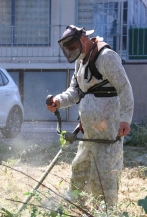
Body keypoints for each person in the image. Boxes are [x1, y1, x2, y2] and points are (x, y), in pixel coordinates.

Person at [46, 25, 134, 207]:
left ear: (83, 40)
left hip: (108, 134)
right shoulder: (80, 61)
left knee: (103, 178)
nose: (71, 51)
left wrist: (125, 118)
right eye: (68, 49)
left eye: (72, 47)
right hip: (89, 134)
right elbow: (75, 91)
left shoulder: (107, 57)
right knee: (79, 171)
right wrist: (59, 101)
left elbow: (124, 88)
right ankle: (78, 213)